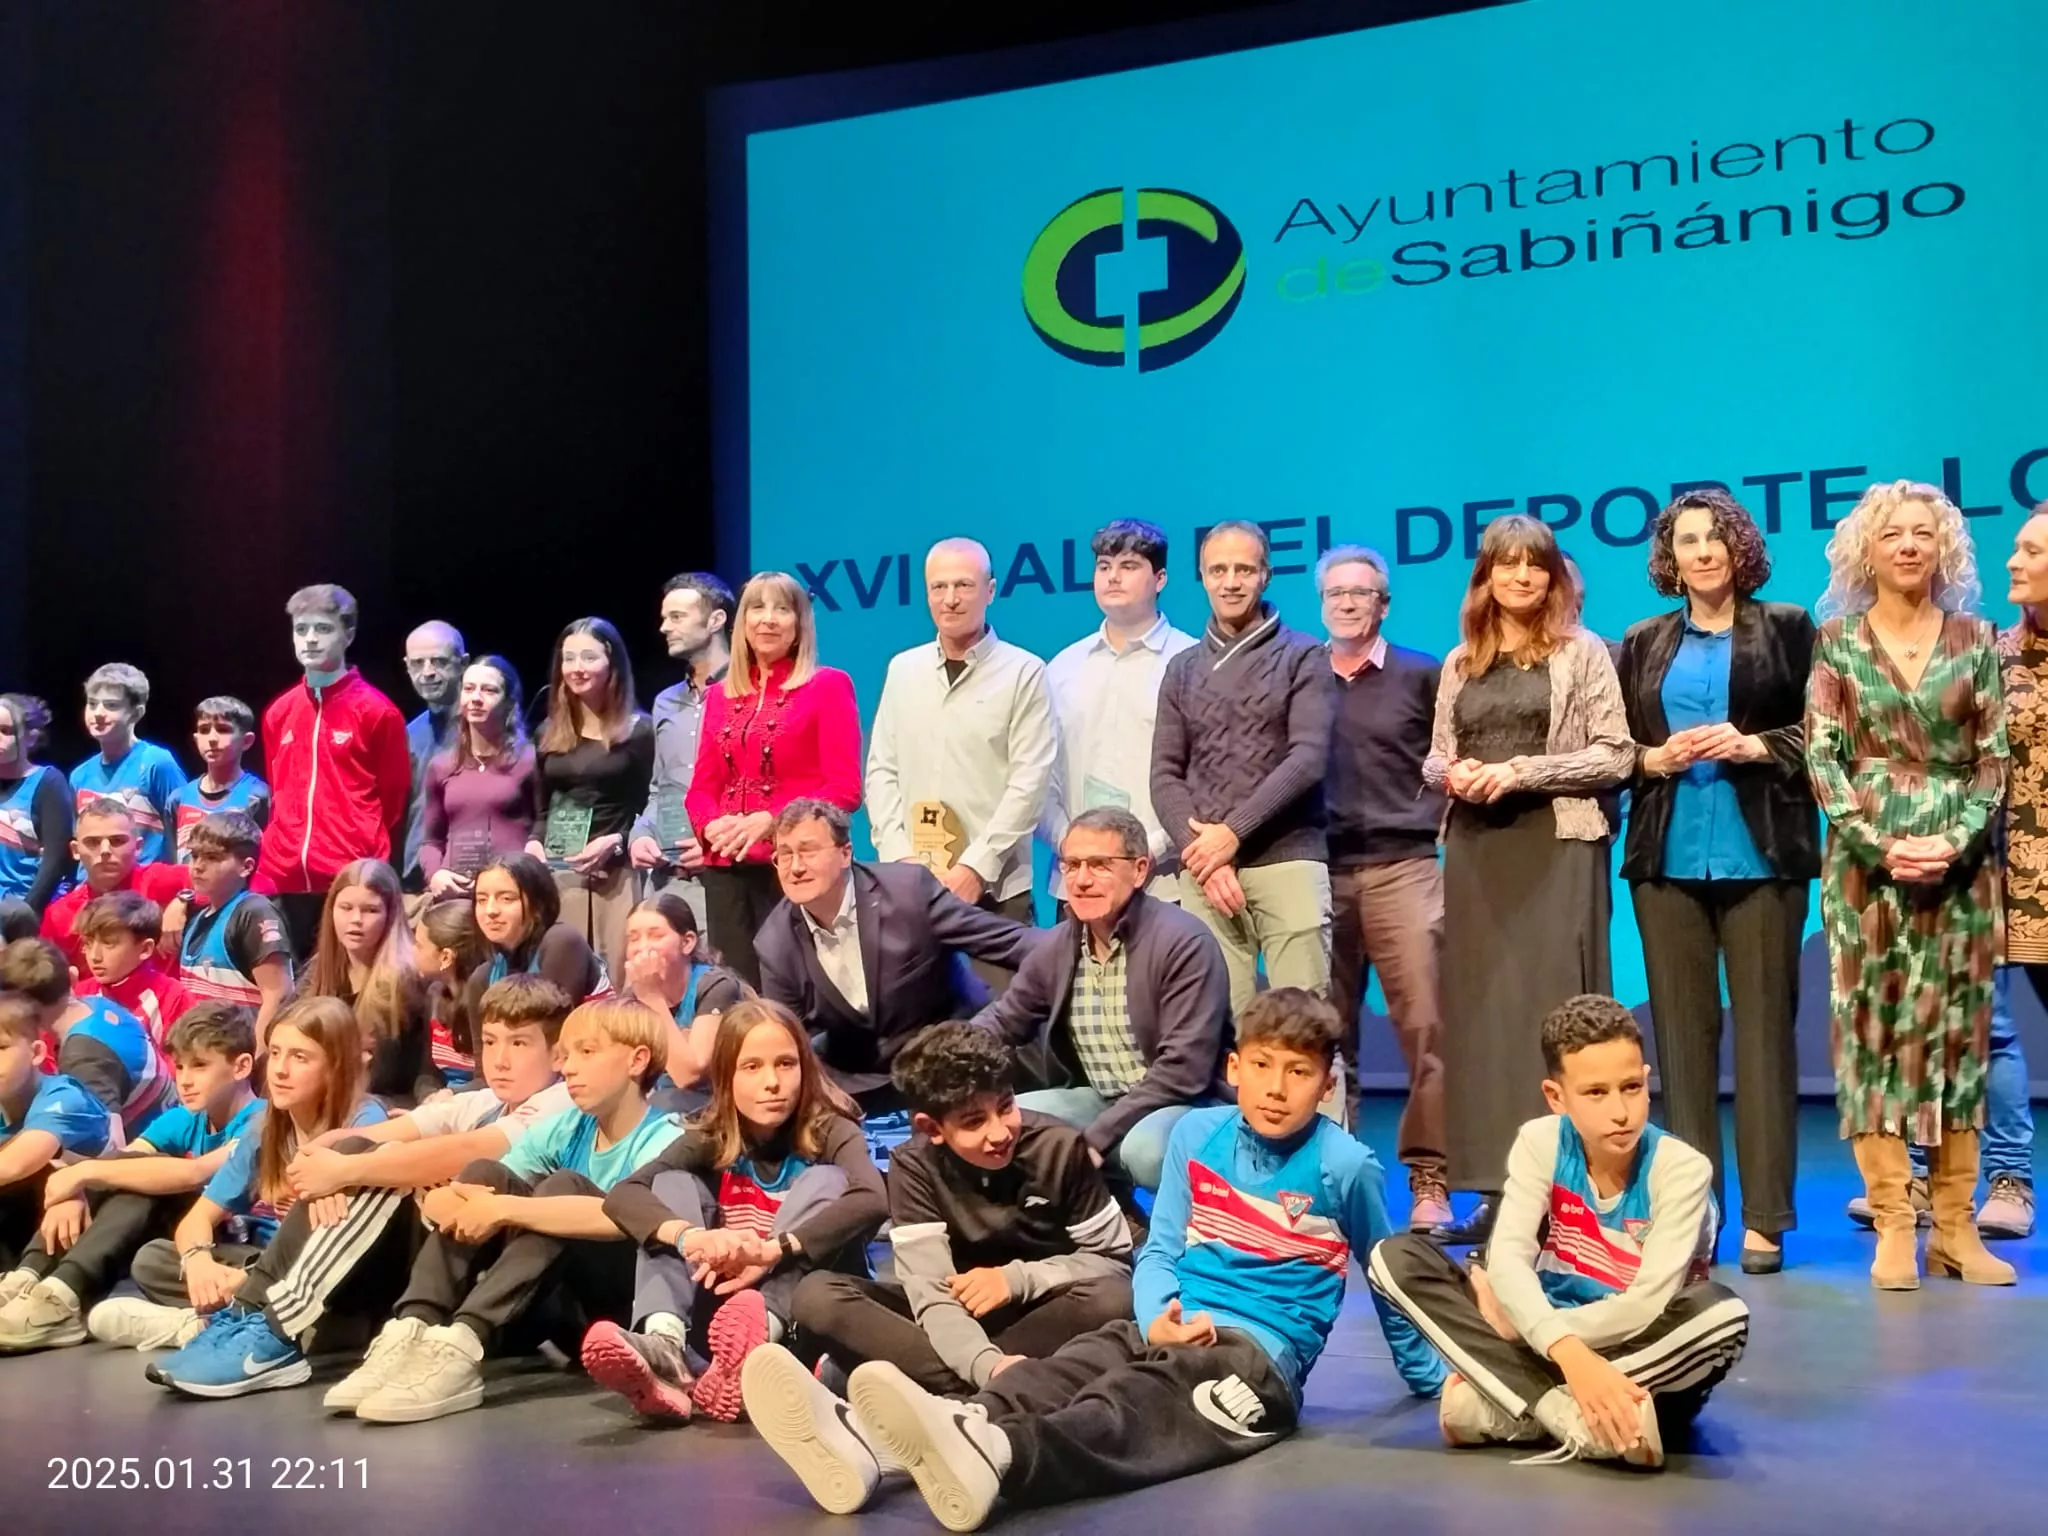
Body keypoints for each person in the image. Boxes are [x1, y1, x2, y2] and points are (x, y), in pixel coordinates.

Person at [739, 988, 1441, 1529]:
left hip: (1255, 1359)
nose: (1277, 1087)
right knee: (1058, 1374)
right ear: (1235, 1068)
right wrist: (1155, 1317)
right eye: (1261, 1066)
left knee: (1129, 1407)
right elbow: (1161, 1248)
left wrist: (1427, 1378)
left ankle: (997, 1454)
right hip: (1165, 1319)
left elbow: (1388, 1276)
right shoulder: (1197, 1134)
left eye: (1298, 1072)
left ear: (1328, 1082)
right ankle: (871, 1442)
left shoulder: (1346, 1165)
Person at [145, 976, 577, 1400]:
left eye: (518, 1044)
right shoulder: (480, 1102)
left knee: (377, 1170)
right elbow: (388, 1133)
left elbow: (468, 1149)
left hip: (511, 1295)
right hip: (439, 1267)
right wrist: (330, 1158)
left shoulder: (559, 1105)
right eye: (491, 1041)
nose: (499, 1059)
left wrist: (348, 1170)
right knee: (358, 1154)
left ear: (557, 1054)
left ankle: (275, 1327)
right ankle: (249, 1310)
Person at [1368, 995, 1749, 1468]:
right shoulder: (1541, 1141)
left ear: (1647, 1081)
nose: (1621, 1111)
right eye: (1595, 1093)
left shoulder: (1682, 1170)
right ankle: (1569, 1416)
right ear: (1556, 1097)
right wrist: (1564, 1350)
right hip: (1552, 1336)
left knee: (1723, 1315)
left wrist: (1530, 1332)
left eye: (1631, 1087)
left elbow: (1646, 1305)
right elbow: (1507, 1260)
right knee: (1394, 1258)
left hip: (1636, 1356)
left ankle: (1512, 1405)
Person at [1807, 480, 2011, 1290]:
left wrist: (1952, 840)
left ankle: (1955, 1230)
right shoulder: (1838, 643)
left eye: (1923, 534)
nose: (1908, 546)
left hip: (1960, 874)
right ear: (1868, 549)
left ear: (1944, 548)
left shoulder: (1975, 637)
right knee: (1874, 1039)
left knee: (1956, 1040)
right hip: (1864, 873)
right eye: (1892, 534)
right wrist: (1882, 843)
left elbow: (1995, 760)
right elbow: (1823, 757)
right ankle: (1894, 1220)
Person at [1618, 490, 1818, 1275]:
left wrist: (1755, 745)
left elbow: (1825, 731)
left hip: (1763, 856)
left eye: (1715, 539)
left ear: (1740, 548)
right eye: (1687, 541)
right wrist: (1651, 759)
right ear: (1670, 556)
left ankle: (1766, 1219)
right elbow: (1620, 745)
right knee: (1682, 1045)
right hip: (1666, 862)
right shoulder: (1642, 640)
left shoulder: (1790, 628)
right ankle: (1693, 1216)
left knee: (1766, 1038)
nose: (1702, 553)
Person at [1423, 515, 1632, 1247]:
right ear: (1485, 577)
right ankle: (1497, 1191)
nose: (1520, 577)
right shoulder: (1461, 661)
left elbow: (1615, 755)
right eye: (1505, 565)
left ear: (1552, 576)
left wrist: (1521, 772)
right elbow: (1436, 756)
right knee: (1485, 1025)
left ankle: (1572, 1194)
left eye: (1533, 565)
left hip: (1557, 843)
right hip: (1479, 851)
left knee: (1556, 1016)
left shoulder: (1584, 654)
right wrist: (1456, 774)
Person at [333, 998, 683, 1424]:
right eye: (566, 1055)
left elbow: (623, 1220)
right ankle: (412, 1328)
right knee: (486, 1172)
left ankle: (465, 1342)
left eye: (586, 1053)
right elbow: (472, 1194)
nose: (569, 1068)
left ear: (637, 1060)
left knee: (561, 1189)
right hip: (549, 1307)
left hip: (616, 1316)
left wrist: (500, 1209)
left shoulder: (664, 1138)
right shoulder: (568, 1125)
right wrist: (458, 1198)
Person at [791, 1024, 1133, 1411]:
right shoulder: (913, 1165)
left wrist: (1015, 1279)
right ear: (932, 1128)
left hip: (1039, 1311)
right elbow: (932, 1292)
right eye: (974, 1122)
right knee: (817, 1295)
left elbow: (1115, 1263)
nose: (999, 1131)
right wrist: (986, 1366)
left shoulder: (1060, 1146)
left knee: (1113, 1299)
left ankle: (914, 1388)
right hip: (954, 1317)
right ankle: (994, 1390)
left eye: (1005, 1106)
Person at [590, 998, 883, 1422]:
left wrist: (772, 1251)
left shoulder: (831, 1129)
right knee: (671, 1185)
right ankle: (666, 1347)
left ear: (804, 1068)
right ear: (726, 1077)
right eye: (752, 1067)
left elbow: (874, 1198)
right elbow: (624, 1194)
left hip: (799, 1317)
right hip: (723, 1318)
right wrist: (694, 1237)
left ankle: (757, 1350)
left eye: (785, 1064)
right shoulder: (711, 1133)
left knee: (830, 1181)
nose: (772, 1082)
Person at [82, 996, 387, 1352]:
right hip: (270, 1266)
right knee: (154, 1259)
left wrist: (247, 1278)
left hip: (333, 1271)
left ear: (334, 1067)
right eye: (274, 1053)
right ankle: (234, 1318)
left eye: (299, 1057)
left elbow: (343, 1239)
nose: (280, 1070)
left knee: (328, 1297)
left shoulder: (365, 1120)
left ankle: (204, 1326)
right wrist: (199, 1261)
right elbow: (198, 1219)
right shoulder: (266, 1130)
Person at [973, 807, 1228, 1194]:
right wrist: (940, 1061)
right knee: (1009, 1124)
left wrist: (1095, 1139)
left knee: (1147, 1151)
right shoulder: (1058, 945)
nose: (1082, 880)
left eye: (1099, 865)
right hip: (1099, 1099)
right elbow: (1004, 1021)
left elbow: (1182, 1073)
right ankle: (1110, 1218)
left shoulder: (1183, 943)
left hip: (1185, 1104)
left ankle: (1184, 1241)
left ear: (1140, 870)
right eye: (1072, 865)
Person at [1317, 544, 1451, 1230]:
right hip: (1319, 870)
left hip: (1405, 866)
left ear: (1383, 603)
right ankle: (1330, 1181)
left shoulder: (1421, 674)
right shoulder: (1302, 675)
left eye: (1360, 592)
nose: (1346, 602)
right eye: (1335, 592)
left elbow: (1453, 765)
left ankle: (1430, 1179)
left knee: (1427, 1027)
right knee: (1324, 1036)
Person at [0, 1003, 259, 1353]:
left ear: (241, 1066)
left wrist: (85, 1172)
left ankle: (64, 1298)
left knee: (151, 1181)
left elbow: (194, 1172)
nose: (184, 1080)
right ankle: (26, 1279)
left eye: (200, 1066)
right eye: (179, 1066)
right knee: (131, 1173)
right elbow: (125, 1161)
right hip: (192, 1240)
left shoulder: (262, 1120)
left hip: (246, 1244)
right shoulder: (184, 1118)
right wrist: (76, 1190)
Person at [1152, 521, 1334, 1014]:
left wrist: (1231, 835)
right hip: (1205, 873)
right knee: (1215, 1027)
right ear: (1203, 577)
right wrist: (1203, 855)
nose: (1231, 581)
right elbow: (1165, 774)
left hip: (1287, 860)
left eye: (1244, 569)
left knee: (1303, 1026)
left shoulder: (1304, 656)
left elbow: (1307, 760)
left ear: (1266, 575)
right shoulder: (1182, 669)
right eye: (1218, 570)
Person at [755, 799, 1036, 1107]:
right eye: (785, 854)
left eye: (808, 851)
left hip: (952, 1060)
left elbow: (1010, 942)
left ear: (845, 853)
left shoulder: (908, 891)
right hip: (860, 1084)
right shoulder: (774, 943)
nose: (795, 867)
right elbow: (788, 1042)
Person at [867, 538, 1057, 988]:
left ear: (990, 591)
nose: (949, 599)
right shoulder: (903, 670)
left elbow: (1029, 784)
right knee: (918, 1036)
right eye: (938, 587)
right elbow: (881, 770)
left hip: (993, 893)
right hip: (912, 890)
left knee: (1000, 1036)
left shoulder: (1025, 672)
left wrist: (975, 867)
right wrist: (900, 861)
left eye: (963, 586)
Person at [689, 571, 862, 989]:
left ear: (800, 622)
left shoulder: (828, 686)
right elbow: (701, 788)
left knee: (794, 996)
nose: (768, 620)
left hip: (793, 865)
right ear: (742, 622)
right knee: (737, 995)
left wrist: (771, 821)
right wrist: (711, 825)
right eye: (757, 609)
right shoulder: (719, 696)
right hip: (726, 869)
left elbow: (845, 789)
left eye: (782, 609)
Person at [1042, 520, 1198, 904]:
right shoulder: (1062, 667)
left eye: (1128, 566)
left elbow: (1205, 775)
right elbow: (1041, 774)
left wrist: (1147, 850)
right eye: (1104, 566)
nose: (1113, 577)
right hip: (1078, 884)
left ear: (1160, 579)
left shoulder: (1191, 661)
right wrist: (1072, 845)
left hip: (1167, 882)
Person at [257, 584, 413, 958]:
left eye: (322, 629)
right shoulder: (279, 712)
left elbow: (392, 800)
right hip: (284, 877)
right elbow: (278, 789)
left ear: (349, 634)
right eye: (301, 629)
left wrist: (359, 844)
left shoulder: (378, 712)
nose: (309, 639)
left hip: (348, 881)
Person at [1973, 507, 2048, 1240]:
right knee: (1990, 1031)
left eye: (2029, 551)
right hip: (2002, 873)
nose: (2011, 562)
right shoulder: (1997, 652)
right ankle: (2008, 1178)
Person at [530, 617, 655, 988]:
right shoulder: (547, 731)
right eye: (569, 659)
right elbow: (542, 808)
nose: (577, 668)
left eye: (588, 657)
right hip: (561, 873)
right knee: (559, 985)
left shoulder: (640, 731)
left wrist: (617, 842)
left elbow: (652, 803)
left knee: (619, 983)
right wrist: (534, 843)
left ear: (612, 664)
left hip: (617, 876)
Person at [630, 572, 735, 930]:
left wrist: (716, 843)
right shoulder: (665, 702)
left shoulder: (749, 691)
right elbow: (661, 789)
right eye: (663, 617)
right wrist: (641, 834)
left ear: (716, 620)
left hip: (729, 877)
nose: (664, 627)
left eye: (676, 617)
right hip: (667, 878)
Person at [0, 936, 173, 1140]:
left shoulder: (84, 1057)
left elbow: (111, 1142)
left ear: (23, 1009)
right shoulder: (95, 1004)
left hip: (152, 1146)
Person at [301, 859, 434, 1105]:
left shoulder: (403, 982)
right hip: (328, 1095)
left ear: (390, 914)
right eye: (345, 908)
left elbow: (382, 1076)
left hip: (383, 1103)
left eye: (370, 910)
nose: (356, 920)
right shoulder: (319, 968)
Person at [0, 997, 114, 1273]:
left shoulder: (66, 1096)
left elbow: (15, 1164)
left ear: (37, 1052)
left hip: (93, 1230)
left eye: (1, 1047)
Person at [419, 656, 541, 899]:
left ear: (508, 703)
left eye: (489, 690)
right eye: (469, 689)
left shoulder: (529, 761)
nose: (476, 698)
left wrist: (534, 854)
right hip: (457, 895)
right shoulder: (441, 766)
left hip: (512, 893)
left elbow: (544, 822)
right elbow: (430, 842)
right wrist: (435, 874)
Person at [171, 811, 295, 1044]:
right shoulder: (197, 917)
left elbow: (279, 995)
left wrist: (257, 1064)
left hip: (241, 1061)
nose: (197, 866)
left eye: (212, 857)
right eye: (194, 855)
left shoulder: (253, 912)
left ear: (246, 867)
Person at [619, 892, 748, 1099]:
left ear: (687, 942)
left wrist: (652, 999)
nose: (642, 947)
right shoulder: (633, 996)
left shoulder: (715, 986)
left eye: (656, 936)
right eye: (633, 939)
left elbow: (688, 1076)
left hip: (715, 1103)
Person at [39, 797, 188, 972]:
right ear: (75, 850)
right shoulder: (59, 915)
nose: (105, 851)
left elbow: (222, 882)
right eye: (93, 842)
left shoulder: (161, 880)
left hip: (167, 997)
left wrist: (184, 899)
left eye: (117, 841)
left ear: (138, 847)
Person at [70, 663, 184, 870]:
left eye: (111, 705)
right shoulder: (79, 775)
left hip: (142, 892)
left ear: (136, 713)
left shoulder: (156, 763)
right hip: (92, 891)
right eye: (92, 704)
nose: (98, 713)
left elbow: (182, 832)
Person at [471, 852, 608, 1004]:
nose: (491, 911)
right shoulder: (483, 977)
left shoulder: (562, 942)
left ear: (538, 906)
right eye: (481, 900)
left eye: (506, 899)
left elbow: (551, 1024)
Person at [73, 891, 192, 1050]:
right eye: (88, 944)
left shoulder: (175, 998)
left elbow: (183, 1064)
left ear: (145, 949)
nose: (94, 956)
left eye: (109, 943)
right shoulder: (80, 993)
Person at [400, 620, 467, 889]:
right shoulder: (408, 734)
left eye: (438, 661)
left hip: (472, 872)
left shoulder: (488, 729)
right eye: (417, 663)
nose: (427, 672)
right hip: (415, 878)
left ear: (463, 663)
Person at [167, 696, 271, 861]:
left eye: (223, 729)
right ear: (196, 739)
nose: (212, 739)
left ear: (247, 741)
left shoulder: (259, 796)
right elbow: (171, 858)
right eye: (204, 730)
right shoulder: (178, 799)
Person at [0, 694, 72, 913]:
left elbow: (55, 860)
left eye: (6, 731)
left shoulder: (48, 782)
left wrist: (25, 915)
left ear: (31, 738)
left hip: (18, 910)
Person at [415, 895, 494, 1091]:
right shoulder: (434, 995)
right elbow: (427, 1074)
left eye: (418, 945)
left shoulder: (489, 1004)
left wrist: (450, 1097)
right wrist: (430, 1099)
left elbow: (491, 1081)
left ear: (446, 957)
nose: (412, 952)